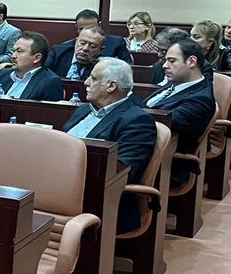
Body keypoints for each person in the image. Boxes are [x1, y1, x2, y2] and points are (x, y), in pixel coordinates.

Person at [62, 58, 159, 233]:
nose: (86, 82)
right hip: (62, 184)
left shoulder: (137, 120)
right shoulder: (83, 110)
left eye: (93, 78)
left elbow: (123, 173)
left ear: (111, 86)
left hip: (99, 200)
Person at [144, 39, 217, 190]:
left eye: (171, 61)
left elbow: (162, 122)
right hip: (145, 150)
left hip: (164, 166)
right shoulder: (176, 84)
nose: (164, 65)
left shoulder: (201, 100)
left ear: (191, 62)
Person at [0, 32, 64, 101]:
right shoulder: (3, 74)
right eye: (14, 51)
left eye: (19, 51)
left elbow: (48, 110)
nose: (13, 56)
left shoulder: (51, 82)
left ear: (37, 58)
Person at [191, 19, 231, 85]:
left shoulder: (224, 54)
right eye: (190, 35)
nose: (190, 39)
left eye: (196, 37)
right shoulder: (186, 53)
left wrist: (214, 76)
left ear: (210, 42)